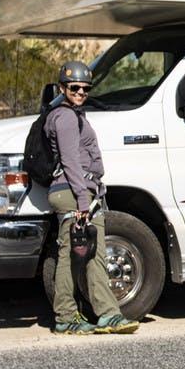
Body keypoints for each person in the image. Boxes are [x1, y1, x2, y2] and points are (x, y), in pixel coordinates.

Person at [44, 60, 139, 335]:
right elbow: (71, 161)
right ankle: (65, 317)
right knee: (69, 255)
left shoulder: (74, 114)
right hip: (74, 193)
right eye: (74, 87)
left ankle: (108, 315)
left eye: (85, 88)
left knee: (94, 254)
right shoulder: (64, 117)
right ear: (62, 87)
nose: (81, 92)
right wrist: (83, 202)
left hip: (84, 192)